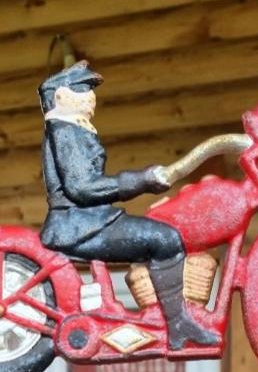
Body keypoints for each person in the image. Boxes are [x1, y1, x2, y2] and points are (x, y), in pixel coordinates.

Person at [38, 61, 219, 349]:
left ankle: (175, 320)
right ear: (61, 96)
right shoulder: (65, 130)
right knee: (165, 239)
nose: (90, 97)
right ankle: (178, 325)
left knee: (163, 233)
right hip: (79, 226)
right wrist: (142, 180)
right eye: (82, 90)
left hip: (89, 220)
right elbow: (81, 188)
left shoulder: (74, 128)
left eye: (89, 90)